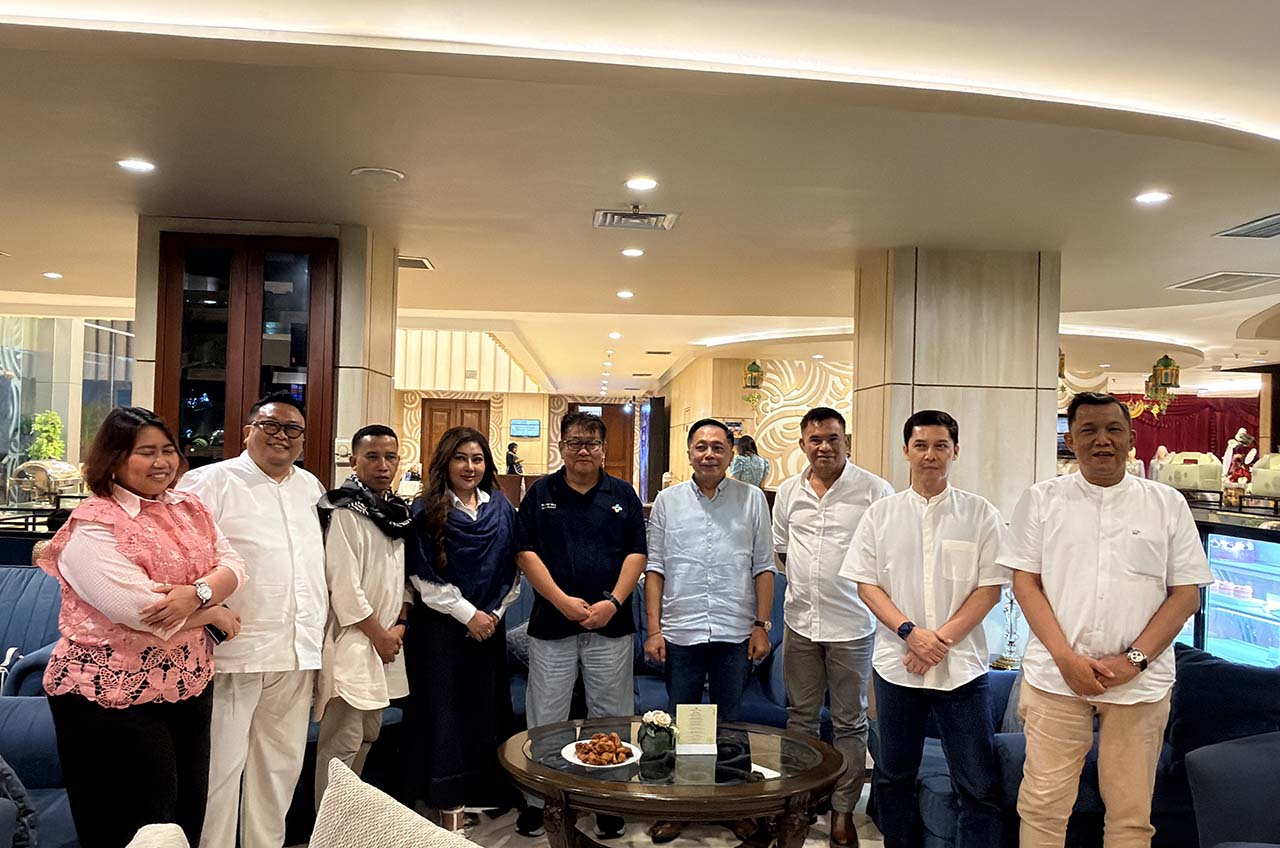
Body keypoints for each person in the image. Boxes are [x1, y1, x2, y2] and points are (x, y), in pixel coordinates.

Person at [1003, 392, 1212, 848]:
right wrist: (1066, 659)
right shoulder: (1041, 500)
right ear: (1071, 441)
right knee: (1042, 806)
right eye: (1089, 431)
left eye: (1114, 429)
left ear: (1131, 438)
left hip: (1140, 684)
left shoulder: (1166, 503)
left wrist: (1133, 661)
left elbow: (1185, 596)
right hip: (1056, 679)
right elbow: (1026, 584)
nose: (1103, 440)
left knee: (1131, 815)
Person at [37, 407, 245, 848]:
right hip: (109, 695)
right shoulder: (93, 524)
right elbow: (139, 610)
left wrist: (197, 594)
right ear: (114, 459)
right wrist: (213, 612)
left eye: (167, 450)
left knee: (186, 819)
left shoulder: (188, 507)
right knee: (138, 827)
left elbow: (233, 564)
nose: (161, 462)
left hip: (188, 683)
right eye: (146, 452)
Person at [843, 410, 1006, 848]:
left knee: (978, 782)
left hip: (962, 670)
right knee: (894, 775)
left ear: (956, 451)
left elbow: (990, 589)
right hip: (898, 667)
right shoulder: (881, 515)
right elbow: (866, 585)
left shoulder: (981, 514)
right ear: (906, 451)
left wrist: (938, 642)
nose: (930, 455)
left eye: (940, 446)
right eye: (921, 446)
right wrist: (911, 634)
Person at [178, 390, 328, 848]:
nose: (282, 436)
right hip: (231, 654)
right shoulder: (209, 483)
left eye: (293, 429)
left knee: (279, 772)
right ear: (248, 431)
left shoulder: (311, 487)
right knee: (219, 773)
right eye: (270, 425)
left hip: (296, 653)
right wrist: (204, 611)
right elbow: (178, 558)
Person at [514, 411, 647, 839]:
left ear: (604, 449)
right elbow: (525, 553)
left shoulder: (622, 494)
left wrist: (613, 601)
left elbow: (637, 554)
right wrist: (562, 602)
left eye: (592, 443)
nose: (583, 450)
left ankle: (606, 799)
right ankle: (542, 801)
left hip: (611, 622)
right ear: (562, 447)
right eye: (574, 442)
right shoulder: (540, 493)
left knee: (610, 715)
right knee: (546, 716)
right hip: (552, 623)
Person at [643, 419, 776, 843]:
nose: (709, 454)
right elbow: (655, 568)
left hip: (735, 629)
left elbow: (764, 566)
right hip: (681, 629)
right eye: (701, 446)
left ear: (731, 454)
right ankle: (678, 805)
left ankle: (733, 806)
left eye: (718, 447)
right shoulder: (668, 501)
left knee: (730, 721)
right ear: (688, 453)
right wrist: (653, 629)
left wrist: (761, 626)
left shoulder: (752, 499)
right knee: (678, 720)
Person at [772, 406, 893, 848]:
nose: (824, 447)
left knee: (850, 723)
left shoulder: (875, 491)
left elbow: (887, 558)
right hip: (801, 622)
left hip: (853, 625)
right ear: (803, 445)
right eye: (815, 439)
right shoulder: (789, 491)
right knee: (800, 719)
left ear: (848, 442)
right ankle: (799, 806)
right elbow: (782, 550)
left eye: (832, 438)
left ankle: (843, 812)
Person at [402, 426, 521, 831]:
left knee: (487, 709)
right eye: (460, 458)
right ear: (445, 462)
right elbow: (420, 575)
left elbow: (513, 567)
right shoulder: (425, 509)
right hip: (441, 631)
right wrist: (468, 614)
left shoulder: (500, 507)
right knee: (445, 713)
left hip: (490, 627)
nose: (470, 467)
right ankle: (447, 800)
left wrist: (493, 615)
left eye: (477, 459)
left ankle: (486, 793)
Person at [313, 425, 414, 808]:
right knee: (342, 743)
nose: (383, 465)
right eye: (372, 457)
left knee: (369, 735)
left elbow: (402, 578)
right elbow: (344, 588)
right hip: (354, 641)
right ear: (353, 461)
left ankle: (351, 819)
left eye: (390, 457)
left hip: (386, 643)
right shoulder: (343, 509)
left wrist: (400, 624)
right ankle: (329, 828)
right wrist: (380, 635)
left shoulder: (396, 512)